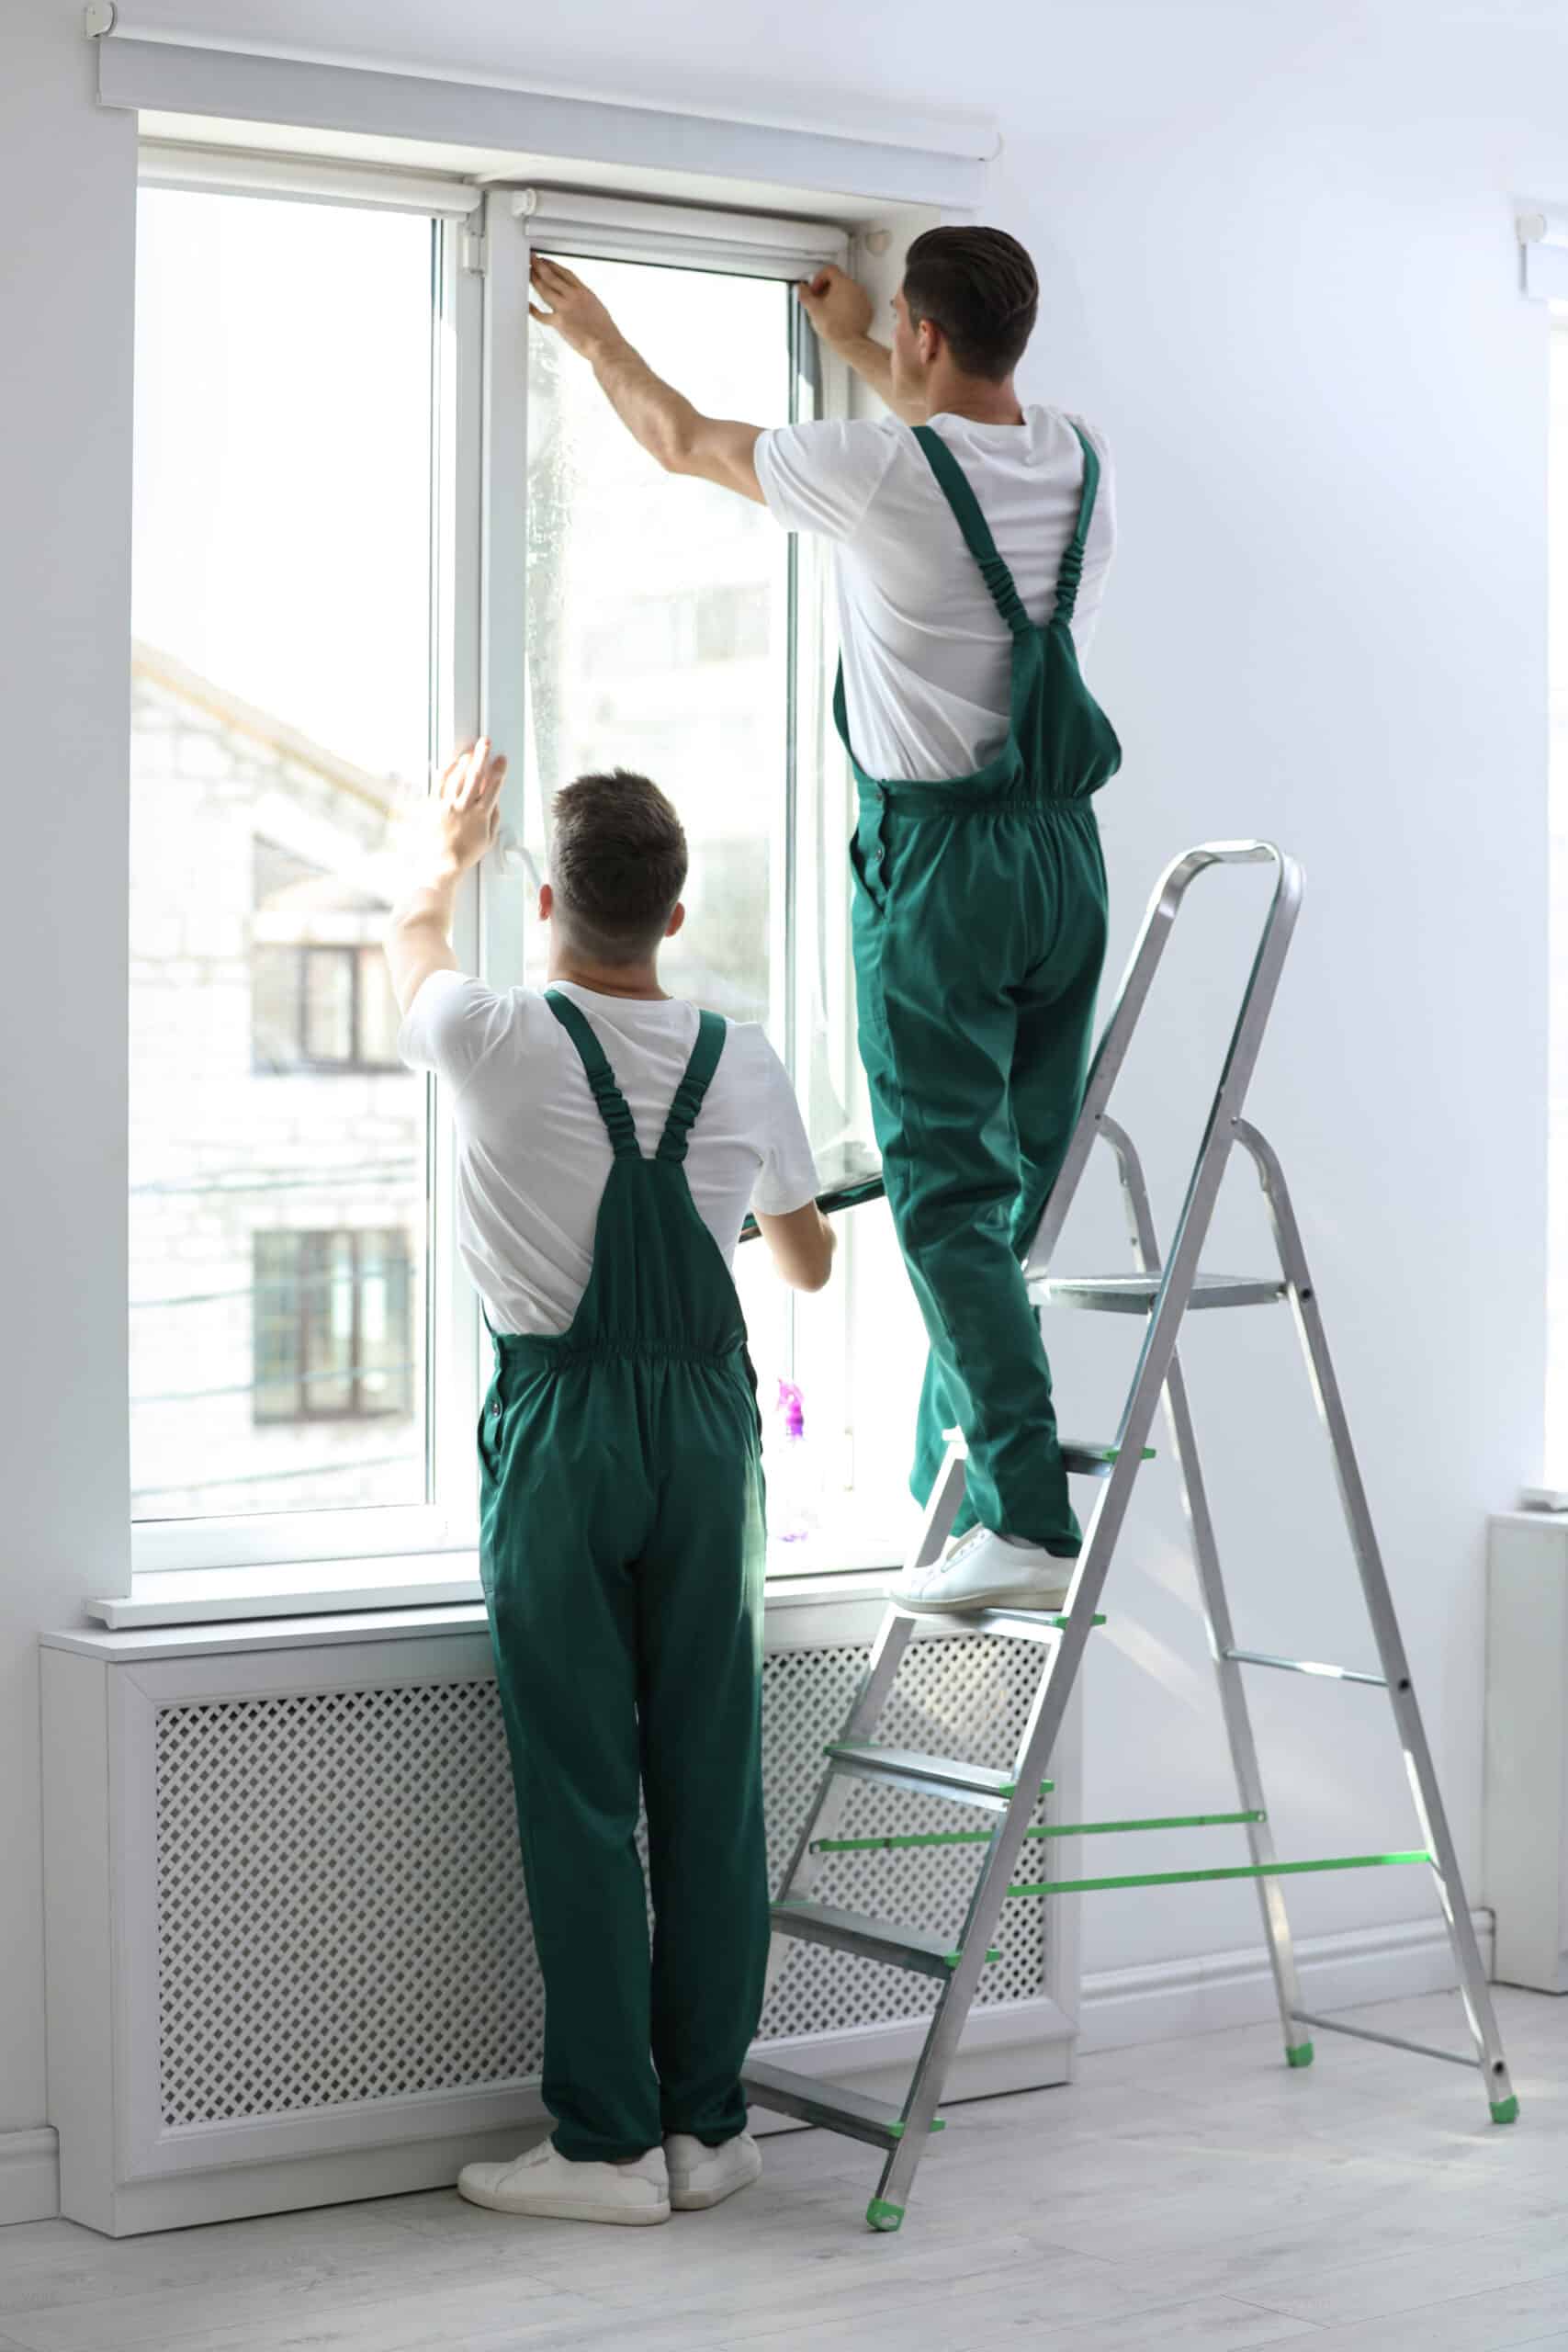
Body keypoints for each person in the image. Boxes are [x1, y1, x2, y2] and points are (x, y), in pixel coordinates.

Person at [528, 225, 1120, 1617]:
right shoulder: (1079, 456)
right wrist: (865, 338)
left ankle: (1024, 1518)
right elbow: (949, 420)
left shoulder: (871, 473)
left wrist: (596, 334)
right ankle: (961, 1474)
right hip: (1066, 863)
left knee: (943, 1193)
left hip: (943, 873)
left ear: (924, 331)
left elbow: (679, 439)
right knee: (1014, 1194)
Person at [384, 744, 835, 2227]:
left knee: (583, 1790)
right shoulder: (747, 1058)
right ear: (679, 908)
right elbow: (808, 1255)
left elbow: (410, 938)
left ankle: (604, 2149)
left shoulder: (493, 1034)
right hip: (706, 1435)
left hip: (564, 1434)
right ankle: (711, 2128)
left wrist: (447, 847)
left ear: (552, 895)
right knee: (711, 1776)